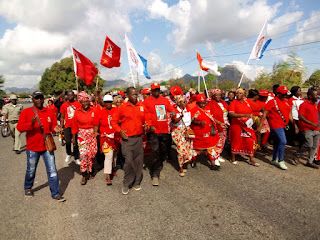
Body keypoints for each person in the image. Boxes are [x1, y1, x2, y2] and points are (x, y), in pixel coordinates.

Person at [17, 91, 65, 202]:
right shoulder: (26, 112)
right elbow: (19, 128)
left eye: (40, 98)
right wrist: (31, 124)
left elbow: (53, 125)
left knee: (52, 170)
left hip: (47, 146)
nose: (39, 100)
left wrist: (56, 128)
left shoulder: (49, 111)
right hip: (32, 147)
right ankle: (28, 187)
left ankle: (56, 193)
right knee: (31, 170)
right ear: (33, 100)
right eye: (36, 98)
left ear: (43, 99)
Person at [111, 87, 145, 195]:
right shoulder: (122, 107)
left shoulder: (141, 106)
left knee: (139, 162)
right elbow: (113, 122)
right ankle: (126, 183)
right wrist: (120, 131)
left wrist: (147, 124)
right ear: (128, 95)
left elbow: (146, 119)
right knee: (129, 162)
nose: (135, 96)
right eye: (133, 94)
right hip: (127, 140)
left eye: (136, 94)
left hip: (139, 138)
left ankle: (137, 182)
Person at [144, 82, 175, 186]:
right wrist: (149, 124)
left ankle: (158, 165)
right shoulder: (147, 101)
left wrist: (174, 112)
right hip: (153, 132)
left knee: (163, 151)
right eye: (154, 90)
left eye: (158, 89)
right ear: (151, 91)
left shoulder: (165, 100)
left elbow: (171, 109)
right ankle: (155, 174)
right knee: (155, 151)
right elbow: (145, 115)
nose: (156, 91)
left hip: (164, 131)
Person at [72, 91, 98, 185]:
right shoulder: (77, 112)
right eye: (83, 101)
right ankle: (84, 174)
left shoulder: (93, 110)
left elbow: (96, 123)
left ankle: (90, 170)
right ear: (80, 102)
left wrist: (95, 132)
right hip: (81, 135)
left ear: (89, 101)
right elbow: (74, 125)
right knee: (83, 155)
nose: (85, 103)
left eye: (86, 101)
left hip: (91, 134)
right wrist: (74, 138)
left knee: (91, 154)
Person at [263, 86, 292, 170]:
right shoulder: (272, 102)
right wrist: (261, 126)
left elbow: (289, 113)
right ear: (278, 93)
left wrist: (294, 124)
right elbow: (265, 114)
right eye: (283, 94)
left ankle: (273, 159)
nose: (285, 95)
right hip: (275, 125)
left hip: (284, 125)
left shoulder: (286, 102)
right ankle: (281, 160)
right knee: (283, 141)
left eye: (286, 94)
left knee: (277, 142)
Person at [228, 88, 259, 166]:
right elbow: (231, 114)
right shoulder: (233, 103)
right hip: (236, 125)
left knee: (251, 140)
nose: (238, 95)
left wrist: (254, 116)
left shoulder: (247, 102)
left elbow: (255, 109)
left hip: (247, 125)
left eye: (241, 93)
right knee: (236, 141)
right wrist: (244, 115)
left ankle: (251, 159)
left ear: (244, 94)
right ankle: (233, 158)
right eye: (237, 93)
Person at [190, 94, 221, 170]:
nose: (203, 104)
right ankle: (193, 160)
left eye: (204, 102)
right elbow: (191, 120)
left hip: (209, 131)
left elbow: (212, 118)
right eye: (201, 103)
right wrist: (199, 123)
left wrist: (218, 124)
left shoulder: (208, 109)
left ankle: (212, 164)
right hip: (199, 133)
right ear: (197, 102)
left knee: (211, 147)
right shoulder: (194, 110)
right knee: (197, 149)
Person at [171, 95, 196, 176]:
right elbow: (174, 121)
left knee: (188, 148)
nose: (185, 103)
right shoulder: (174, 110)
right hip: (178, 132)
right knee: (181, 150)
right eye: (183, 102)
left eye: (185, 101)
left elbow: (189, 120)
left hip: (186, 131)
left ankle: (185, 163)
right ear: (178, 103)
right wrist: (180, 116)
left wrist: (194, 118)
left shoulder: (188, 109)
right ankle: (181, 167)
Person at [298, 87, 320, 169]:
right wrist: (311, 123)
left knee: (314, 147)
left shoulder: (315, 105)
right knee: (309, 145)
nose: (317, 96)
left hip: (317, 129)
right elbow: (300, 116)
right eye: (316, 95)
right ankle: (297, 154)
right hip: (307, 128)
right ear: (310, 96)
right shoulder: (304, 104)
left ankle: (309, 162)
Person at [98, 94, 117, 185]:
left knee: (114, 155)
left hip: (115, 137)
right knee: (108, 155)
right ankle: (107, 175)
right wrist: (96, 133)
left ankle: (112, 169)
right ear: (104, 103)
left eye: (110, 102)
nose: (108, 104)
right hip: (105, 137)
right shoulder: (101, 112)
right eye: (106, 102)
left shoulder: (116, 110)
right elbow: (96, 124)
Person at [208, 89, 229, 163]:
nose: (218, 96)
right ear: (213, 96)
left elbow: (227, 112)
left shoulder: (223, 102)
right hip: (216, 126)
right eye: (216, 95)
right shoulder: (210, 103)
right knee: (216, 142)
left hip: (225, 124)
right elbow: (209, 116)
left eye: (219, 94)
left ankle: (218, 154)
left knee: (222, 141)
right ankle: (214, 156)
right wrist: (219, 122)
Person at [60, 90, 81, 165]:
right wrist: (61, 127)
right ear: (67, 96)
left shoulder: (78, 104)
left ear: (74, 96)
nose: (70, 96)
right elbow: (62, 117)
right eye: (69, 95)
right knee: (68, 142)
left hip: (76, 126)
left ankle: (76, 157)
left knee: (76, 143)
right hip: (67, 126)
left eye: (71, 95)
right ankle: (68, 154)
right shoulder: (64, 105)